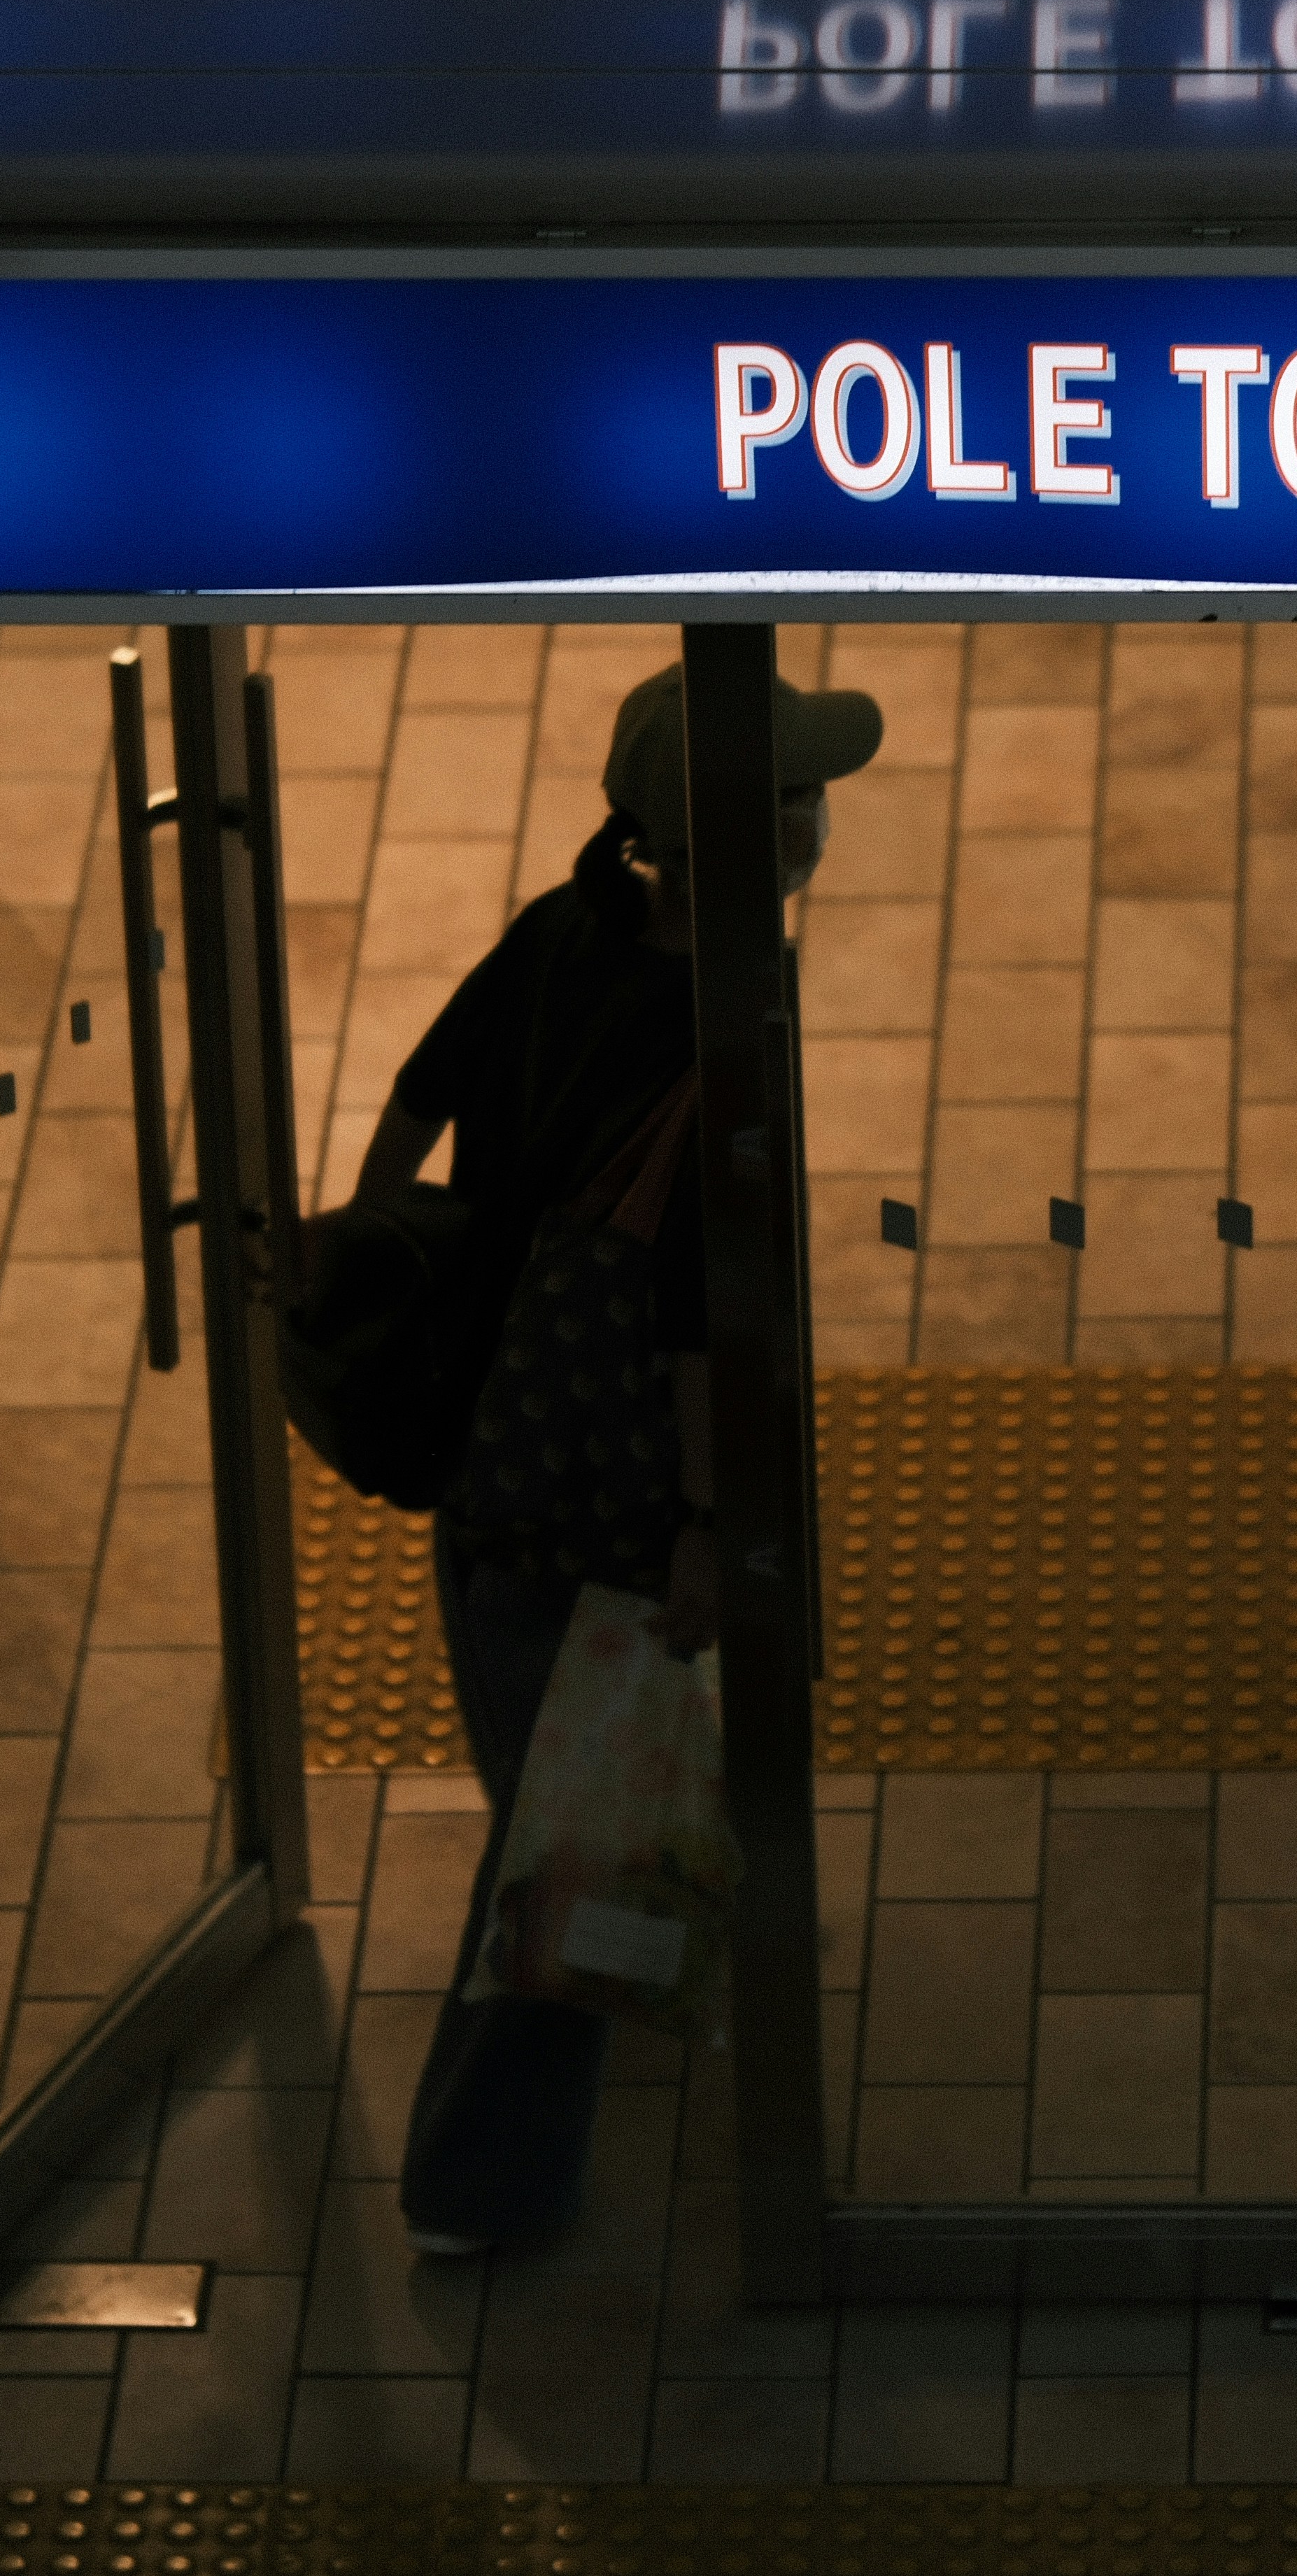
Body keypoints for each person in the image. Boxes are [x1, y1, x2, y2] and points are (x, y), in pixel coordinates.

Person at [355, 655, 881, 2258]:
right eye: (791, 797)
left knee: (554, 1783)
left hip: (494, 1448)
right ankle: (476, 2181)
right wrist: (713, 1526)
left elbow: (411, 1097)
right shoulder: (724, 1023)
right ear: (720, 835)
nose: (813, 820)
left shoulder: (559, 930)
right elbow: (695, 1324)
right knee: (568, 1838)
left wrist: (385, 1263)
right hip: (613, 1493)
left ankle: (626, 2003)